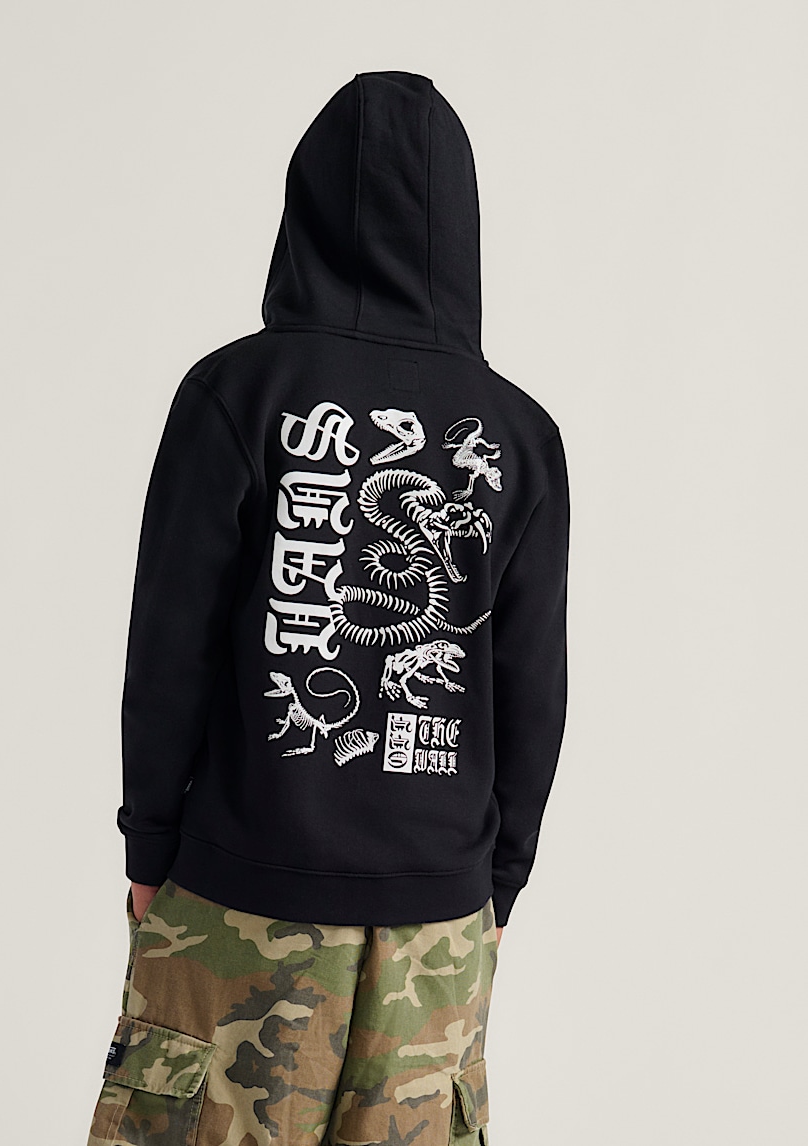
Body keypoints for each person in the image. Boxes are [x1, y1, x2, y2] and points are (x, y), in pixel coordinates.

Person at [88, 70, 569, 1146]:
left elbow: (168, 644)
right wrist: (497, 888)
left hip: (235, 897)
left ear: (303, 210)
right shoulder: (520, 435)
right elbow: (532, 685)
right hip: (439, 924)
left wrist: (149, 846)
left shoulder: (239, 391)